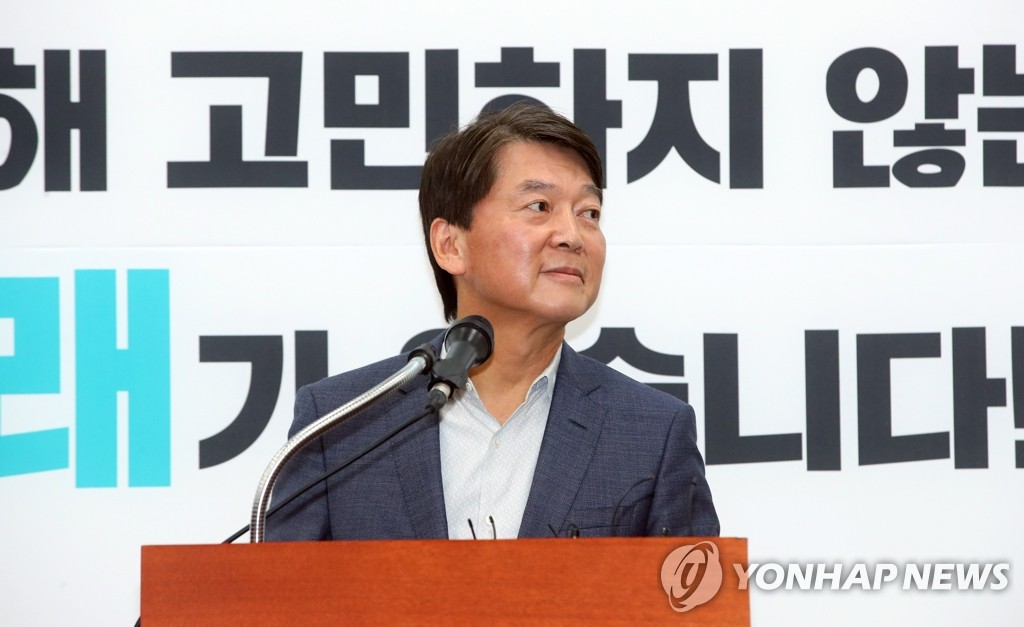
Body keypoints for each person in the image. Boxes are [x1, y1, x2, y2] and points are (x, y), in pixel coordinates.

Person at [267, 103, 718, 541]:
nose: (572, 236)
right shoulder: (339, 424)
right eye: (539, 205)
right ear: (450, 245)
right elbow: (278, 590)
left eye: (589, 213)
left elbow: (691, 590)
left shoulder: (652, 432)